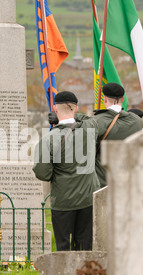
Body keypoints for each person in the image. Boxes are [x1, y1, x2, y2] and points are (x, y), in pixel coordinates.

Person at [33, 91, 100, 251]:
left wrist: (55, 175)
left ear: (55, 109)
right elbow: (89, 119)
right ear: (76, 108)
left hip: (63, 200)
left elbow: (42, 172)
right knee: (85, 246)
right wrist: (74, 116)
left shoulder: (48, 139)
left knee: (64, 247)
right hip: (88, 199)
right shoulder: (90, 130)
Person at [49, 83, 143, 187]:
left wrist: (62, 117)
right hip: (130, 180)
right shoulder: (137, 121)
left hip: (104, 182)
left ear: (105, 99)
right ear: (123, 98)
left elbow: (79, 129)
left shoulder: (97, 121)